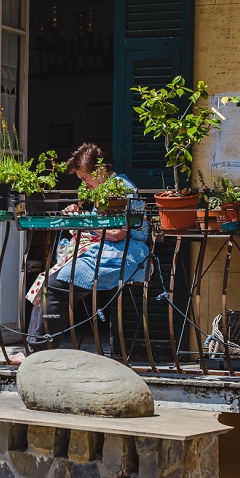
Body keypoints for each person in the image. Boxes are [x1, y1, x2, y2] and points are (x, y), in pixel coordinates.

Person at [25, 143, 150, 353]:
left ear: (100, 171)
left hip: (123, 254)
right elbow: (100, 226)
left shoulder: (121, 189)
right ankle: (33, 349)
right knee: (47, 281)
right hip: (102, 252)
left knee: (54, 285)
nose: (84, 184)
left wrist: (83, 222)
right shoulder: (106, 190)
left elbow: (117, 233)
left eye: (85, 179)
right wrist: (80, 214)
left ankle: (38, 352)